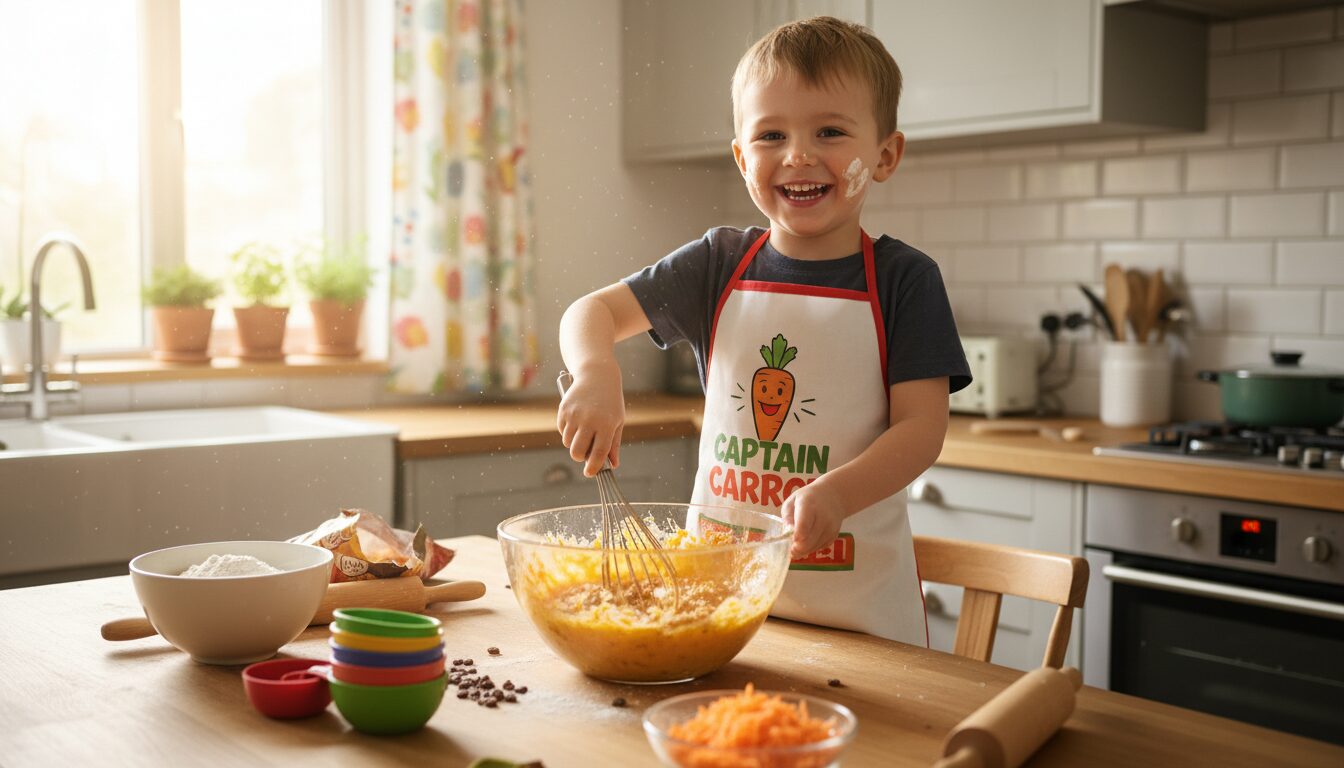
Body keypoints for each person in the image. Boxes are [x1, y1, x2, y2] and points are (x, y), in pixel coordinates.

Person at [556, 16, 971, 645]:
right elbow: (592, 311)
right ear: (741, 158)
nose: (798, 155)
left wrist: (838, 494)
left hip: (859, 622)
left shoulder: (903, 280)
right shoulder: (717, 263)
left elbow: (921, 430)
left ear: (885, 155)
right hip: (719, 603)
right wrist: (595, 373)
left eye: (830, 131)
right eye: (771, 135)